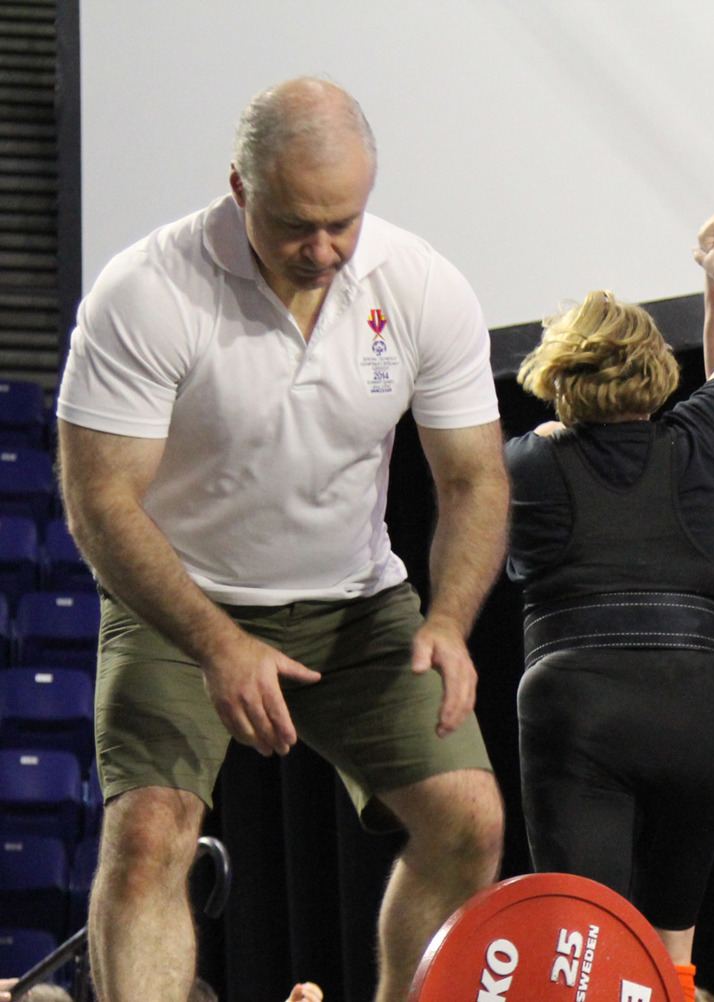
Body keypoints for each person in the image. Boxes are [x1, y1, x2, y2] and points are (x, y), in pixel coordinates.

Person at [56, 79, 507, 1002]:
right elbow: (100, 501)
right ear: (240, 187)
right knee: (149, 837)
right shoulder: (147, 290)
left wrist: (450, 622)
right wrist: (217, 643)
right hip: (181, 602)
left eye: (344, 222)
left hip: (357, 605)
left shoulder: (420, 284)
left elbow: (473, 480)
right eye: (299, 225)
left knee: (468, 820)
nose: (325, 249)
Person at [504, 199, 714, 1002]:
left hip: (581, 711)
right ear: (654, 369)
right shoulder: (700, 444)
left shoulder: (527, 464)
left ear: (560, 376)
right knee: (667, 958)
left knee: (582, 951)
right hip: (698, 710)